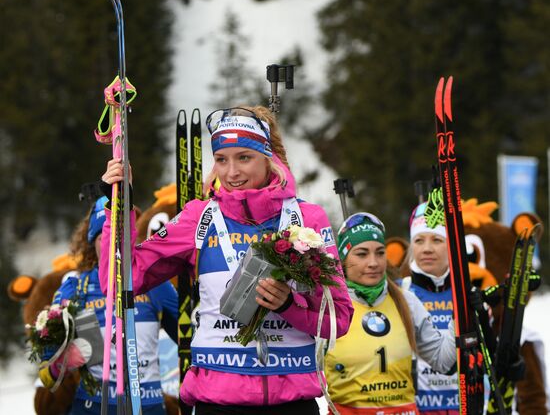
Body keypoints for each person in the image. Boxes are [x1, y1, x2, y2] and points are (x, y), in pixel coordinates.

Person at [99, 106, 354, 415]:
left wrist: (288, 307)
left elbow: (338, 319)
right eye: (222, 159)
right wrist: (120, 206)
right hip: (218, 403)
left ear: (268, 157)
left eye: (244, 158)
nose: (232, 173)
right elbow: (121, 280)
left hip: (292, 404)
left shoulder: (306, 218)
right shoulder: (199, 217)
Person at [39, 196, 179, 415]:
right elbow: (46, 374)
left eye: (120, 237)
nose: (113, 246)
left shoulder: (154, 283)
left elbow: (190, 339)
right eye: (105, 237)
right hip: (93, 407)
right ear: (92, 242)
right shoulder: (76, 287)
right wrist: (62, 362)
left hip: (147, 406)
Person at [325, 212, 456, 415]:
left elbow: (443, 362)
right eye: (362, 254)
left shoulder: (406, 300)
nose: (373, 263)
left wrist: (460, 316)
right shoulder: (330, 306)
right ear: (343, 258)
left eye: (380, 252)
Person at [402, 202, 459, 415]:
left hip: (464, 405)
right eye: (418, 240)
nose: (427, 248)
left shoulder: (468, 293)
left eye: (437, 239)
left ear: (451, 244)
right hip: (415, 408)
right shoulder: (400, 292)